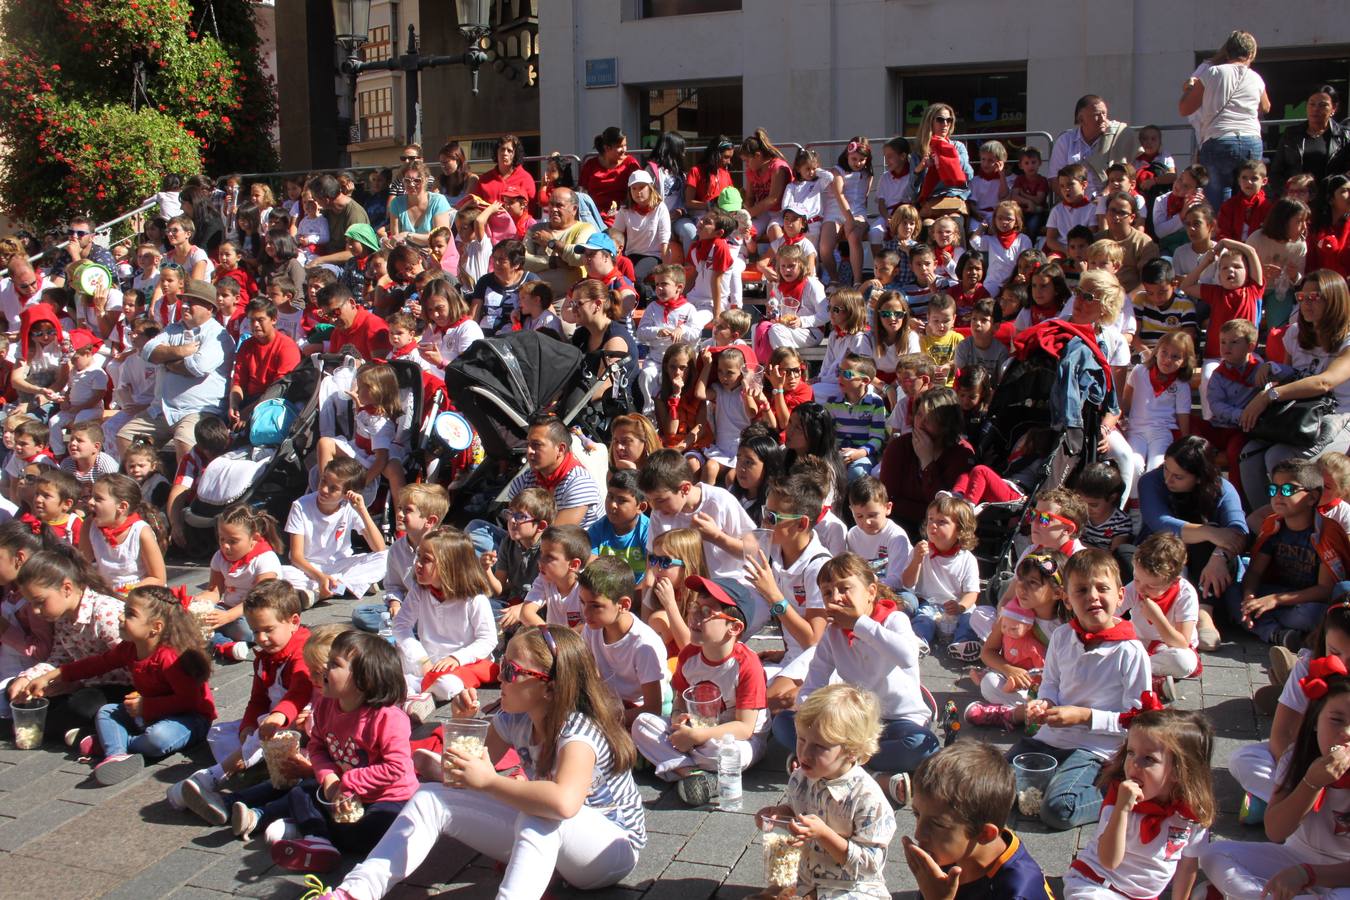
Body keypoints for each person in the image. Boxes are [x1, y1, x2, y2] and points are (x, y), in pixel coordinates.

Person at [320, 625, 645, 900]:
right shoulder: (515, 719)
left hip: (611, 850)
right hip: (559, 839)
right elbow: (472, 770)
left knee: (539, 816)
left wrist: (489, 781)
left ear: (549, 687)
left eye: (511, 672)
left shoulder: (579, 731)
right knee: (430, 797)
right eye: (501, 666)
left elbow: (563, 803)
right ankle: (355, 892)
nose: (499, 678)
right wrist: (460, 732)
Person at [776, 552, 940, 808]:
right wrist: (808, 718)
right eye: (828, 593)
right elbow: (814, 682)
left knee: (921, 746)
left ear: (870, 592)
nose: (836, 597)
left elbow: (907, 656)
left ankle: (831, 766)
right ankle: (858, 771)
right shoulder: (833, 634)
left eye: (844, 588)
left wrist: (859, 624)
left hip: (898, 721)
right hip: (855, 723)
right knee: (785, 723)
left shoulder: (893, 620)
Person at [1010, 549, 1151, 832]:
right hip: (1050, 737)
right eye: (1082, 590)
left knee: (1058, 810)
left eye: (1102, 588)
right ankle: (1056, 780)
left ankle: (1115, 793)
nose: (1093, 596)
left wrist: (1085, 716)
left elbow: (1139, 721)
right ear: (1067, 598)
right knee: (992, 789)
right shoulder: (1063, 636)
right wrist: (1044, 702)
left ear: (1120, 596)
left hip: (1095, 748)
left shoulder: (1130, 651)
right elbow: (1050, 682)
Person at [252, 631, 415, 874]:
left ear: (364, 681)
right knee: (300, 792)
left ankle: (312, 829)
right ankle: (319, 839)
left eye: (335, 665)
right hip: (342, 792)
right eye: (329, 662)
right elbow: (318, 747)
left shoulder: (388, 718)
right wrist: (329, 779)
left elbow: (397, 768)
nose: (325, 670)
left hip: (386, 797)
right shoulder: (326, 705)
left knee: (381, 827)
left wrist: (348, 782)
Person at [22, 584, 215, 785]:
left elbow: (190, 701)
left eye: (130, 614)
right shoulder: (130, 648)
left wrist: (145, 706)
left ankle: (114, 743)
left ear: (155, 627)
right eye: (124, 611)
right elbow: (98, 664)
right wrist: (55, 674)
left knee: (158, 739)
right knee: (106, 711)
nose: (121, 618)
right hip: (148, 714)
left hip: (189, 718)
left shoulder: (170, 658)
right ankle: (116, 755)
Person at [1197, 664, 1350, 897]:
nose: (1347, 732)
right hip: (1296, 855)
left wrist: (1309, 874)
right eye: (1336, 720)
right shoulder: (1296, 756)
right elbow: (1277, 831)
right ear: (1316, 721)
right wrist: (1311, 782)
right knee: (1213, 854)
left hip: (1342, 875)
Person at [168, 580, 312, 823]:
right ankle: (253, 764)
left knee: (267, 732)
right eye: (255, 631)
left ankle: (214, 775)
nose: (262, 638)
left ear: (294, 621)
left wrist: (277, 717)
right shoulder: (264, 658)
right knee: (219, 733)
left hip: (298, 723)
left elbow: (298, 693)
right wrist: (247, 725)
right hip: (270, 722)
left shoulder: (302, 654)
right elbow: (257, 698)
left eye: (268, 629)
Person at [630, 574, 767, 804]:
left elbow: (744, 728)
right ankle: (693, 775)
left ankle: (675, 763)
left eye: (706, 613)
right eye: (695, 607)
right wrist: (677, 720)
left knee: (732, 754)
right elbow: (680, 701)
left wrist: (696, 736)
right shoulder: (689, 654)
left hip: (735, 739)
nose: (694, 617)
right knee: (642, 724)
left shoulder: (746, 664)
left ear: (734, 627)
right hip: (699, 731)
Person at [756, 684, 896, 900]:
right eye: (801, 740)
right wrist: (779, 814)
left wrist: (824, 834)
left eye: (820, 747)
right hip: (808, 879)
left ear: (852, 752)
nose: (805, 752)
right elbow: (797, 813)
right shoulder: (801, 777)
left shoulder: (867, 799)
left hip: (852, 888)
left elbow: (869, 865)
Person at [1062, 709, 1214, 900]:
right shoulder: (1119, 799)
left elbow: (1188, 864)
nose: (1133, 763)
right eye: (1131, 753)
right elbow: (1109, 861)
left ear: (1179, 771)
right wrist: (1122, 810)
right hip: (1096, 884)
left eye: (1148, 759)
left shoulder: (1190, 814)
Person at [1240, 270, 1350, 502]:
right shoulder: (1295, 334)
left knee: (1280, 459)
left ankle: (1295, 525)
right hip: (1300, 414)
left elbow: (1324, 382)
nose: (1306, 303)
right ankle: (1267, 523)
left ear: (1334, 299)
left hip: (1338, 416)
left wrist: (1268, 395)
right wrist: (1270, 371)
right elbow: (1291, 378)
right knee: (1249, 455)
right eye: (1302, 297)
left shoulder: (1347, 341)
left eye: (1315, 297)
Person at [902, 742, 1053, 900]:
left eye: (938, 824)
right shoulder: (956, 851)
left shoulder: (1017, 893)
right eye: (916, 814)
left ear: (985, 834)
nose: (918, 834)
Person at [1236, 458, 1350, 649]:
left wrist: (1275, 601)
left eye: (1287, 490)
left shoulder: (1326, 532)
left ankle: (1268, 627)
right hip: (1275, 592)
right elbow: (1255, 572)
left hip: (1305, 601)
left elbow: (1325, 589)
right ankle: (1278, 634)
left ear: (1312, 498)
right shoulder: (1273, 524)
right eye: (1273, 490)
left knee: (1313, 614)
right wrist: (1250, 598)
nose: (1278, 496)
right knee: (1234, 592)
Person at [4, 549, 127, 726]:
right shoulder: (63, 618)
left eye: (40, 602)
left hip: (118, 688)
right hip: (84, 684)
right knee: (18, 688)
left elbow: (131, 665)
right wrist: (27, 678)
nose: (36, 611)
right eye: (31, 604)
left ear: (67, 588)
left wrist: (76, 682)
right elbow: (59, 658)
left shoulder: (105, 614)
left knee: (81, 706)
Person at [117, 278, 234, 462]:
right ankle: (145, 486)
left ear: (209, 309)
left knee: (184, 440)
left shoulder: (218, 335)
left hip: (198, 411)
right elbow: (147, 351)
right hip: (162, 410)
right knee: (126, 437)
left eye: (192, 303)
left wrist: (166, 361)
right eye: (184, 301)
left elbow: (197, 367)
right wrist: (182, 351)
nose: (185, 306)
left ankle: (185, 489)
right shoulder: (173, 328)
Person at [743, 473, 830, 709]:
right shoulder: (777, 552)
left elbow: (814, 640)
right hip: (795, 654)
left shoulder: (818, 566)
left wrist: (773, 595)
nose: (764, 522)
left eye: (772, 517)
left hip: (823, 658)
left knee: (763, 701)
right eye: (764, 512)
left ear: (801, 524)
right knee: (738, 684)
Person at [394, 528, 498, 725]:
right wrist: (420, 657)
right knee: (388, 657)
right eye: (418, 556)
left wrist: (456, 658)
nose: (417, 564)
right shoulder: (420, 591)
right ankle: (414, 693)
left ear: (449, 565)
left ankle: (414, 694)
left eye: (426, 559)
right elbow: (401, 626)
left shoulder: (474, 598)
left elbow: (487, 639)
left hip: (463, 664)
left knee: (448, 685)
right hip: (427, 660)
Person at [1178, 30, 1271, 211]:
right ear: (1251, 54)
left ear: (1227, 52)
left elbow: (1185, 108)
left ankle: (1222, 235)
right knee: (1248, 196)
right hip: (1251, 140)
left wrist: (1189, 88)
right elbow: (1266, 107)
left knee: (1217, 199)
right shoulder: (1256, 78)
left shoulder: (1212, 72)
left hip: (1219, 139)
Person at [638, 448, 755, 588]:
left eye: (660, 500)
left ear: (685, 489)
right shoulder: (659, 513)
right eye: (650, 500)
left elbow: (754, 550)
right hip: (685, 591)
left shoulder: (720, 501)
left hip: (728, 587)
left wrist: (717, 537)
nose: (654, 507)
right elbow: (652, 562)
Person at [280, 458, 388, 607]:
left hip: (339, 565)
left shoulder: (349, 507)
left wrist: (362, 510)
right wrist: (320, 577)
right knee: (281, 573)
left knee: (386, 557)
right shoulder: (300, 506)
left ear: (347, 494)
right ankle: (349, 587)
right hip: (308, 569)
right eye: (323, 482)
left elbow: (379, 548)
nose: (324, 489)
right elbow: (297, 557)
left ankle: (320, 593)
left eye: (333, 488)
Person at [577, 556, 665, 723]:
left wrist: (605, 720)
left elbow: (653, 708)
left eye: (596, 605)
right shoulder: (592, 629)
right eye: (583, 603)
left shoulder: (644, 645)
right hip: (609, 705)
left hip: (636, 711)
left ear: (624, 605)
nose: (586, 613)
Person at [352, 483, 450, 634]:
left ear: (429, 521)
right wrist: (395, 604)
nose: (400, 514)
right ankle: (411, 628)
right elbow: (394, 585)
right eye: (400, 508)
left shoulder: (446, 548)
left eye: (408, 510)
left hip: (442, 611)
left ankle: (417, 629)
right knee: (362, 613)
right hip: (410, 609)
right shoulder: (397, 549)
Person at [880, 387, 977, 537]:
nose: (921, 424)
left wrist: (927, 463)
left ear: (946, 423)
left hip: (940, 531)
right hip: (898, 525)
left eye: (930, 419)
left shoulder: (962, 453)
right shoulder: (900, 446)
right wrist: (924, 509)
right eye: (919, 415)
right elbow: (886, 499)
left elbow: (946, 508)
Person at [191, 505, 284, 661]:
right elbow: (215, 591)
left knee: (244, 630)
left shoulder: (265, 559)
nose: (225, 546)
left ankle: (213, 640)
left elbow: (259, 600)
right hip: (227, 609)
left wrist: (227, 617)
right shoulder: (219, 557)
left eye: (233, 541)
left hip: (257, 611)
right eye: (222, 539)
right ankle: (225, 645)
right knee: (190, 619)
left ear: (254, 538)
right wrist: (199, 603)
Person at [1122, 532, 1201, 701]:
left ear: (1173, 581)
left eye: (1151, 586)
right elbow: (1112, 610)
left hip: (1168, 649)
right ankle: (1154, 682)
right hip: (1140, 643)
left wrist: (1157, 618)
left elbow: (1181, 642)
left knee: (1184, 661)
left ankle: (1131, 674)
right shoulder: (1135, 588)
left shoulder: (1185, 594)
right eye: (1136, 579)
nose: (1141, 589)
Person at [506, 415, 603, 529]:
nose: (529, 451)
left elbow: (556, 539)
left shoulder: (579, 483)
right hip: (531, 542)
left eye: (537, 445)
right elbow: (512, 525)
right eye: (528, 444)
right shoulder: (524, 481)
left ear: (560, 449)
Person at [1122, 331, 1196, 474]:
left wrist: (1184, 444)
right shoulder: (1139, 371)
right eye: (1164, 353)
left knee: (1156, 468)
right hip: (1136, 430)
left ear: (1184, 362)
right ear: (1156, 352)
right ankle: (1135, 496)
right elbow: (1126, 401)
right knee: (1134, 464)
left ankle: (1152, 496)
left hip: (1162, 432)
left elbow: (1183, 417)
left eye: (1175, 357)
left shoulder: (1181, 385)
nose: (1167, 359)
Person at [80, 473, 166, 595]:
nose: (90, 502)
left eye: (98, 498)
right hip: (105, 593)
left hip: (138, 593)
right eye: (91, 496)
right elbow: (83, 566)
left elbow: (158, 578)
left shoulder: (141, 532)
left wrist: (126, 593)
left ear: (122, 506)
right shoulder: (89, 524)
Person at [228, 296, 300, 427]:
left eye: (260, 320)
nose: (255, 325)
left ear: (274, 319)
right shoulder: (246, 346)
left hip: (274, 405)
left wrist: (249, 413)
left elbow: (279, 389)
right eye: (252, 320)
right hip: (249, 401)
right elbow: (238, 382)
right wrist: (234, 405)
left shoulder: (287, 346)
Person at [1049, 94, 1136, 198]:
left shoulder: (1117, 137)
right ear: (1081, 119)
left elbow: (1127, 175)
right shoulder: (1065, 141)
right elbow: (1054, 179)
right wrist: (1074, 204)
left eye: (1104, 114)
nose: (1103, 119)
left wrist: (1102, 200)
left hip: (1109, 203)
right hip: (1075, 204)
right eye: (1097, 115)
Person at [1270, 85, 1350, 193]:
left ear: (1334, 108)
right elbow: (1276, 172)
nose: (1316, 109)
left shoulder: (1344, 136)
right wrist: (1289, 193)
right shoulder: (1291, 134)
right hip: (1297, 199)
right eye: (1312, 104)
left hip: (1330, 199)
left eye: (1323, 105)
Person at [523, 187, 596, 294]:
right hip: (536, 297)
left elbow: (578, 257)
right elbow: (522, 260)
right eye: (551, 204)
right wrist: (553, 262)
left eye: (559, 205)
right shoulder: (535, 229)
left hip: (570, 298)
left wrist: (551, 242)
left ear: (574, 209)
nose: (553, 209)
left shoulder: (585, 229)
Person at [519, 524, 590, 629]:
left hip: (580, 643)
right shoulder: (544, 579)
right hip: (554, 640)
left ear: (574, 565)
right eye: (541, 554)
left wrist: (562, 638)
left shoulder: (587, 587)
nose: (540, 561)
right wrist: (550, 636)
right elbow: (526, 613)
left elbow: (592, 625)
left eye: (549, 557)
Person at [911, 104, 973, 220]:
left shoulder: (957, 147)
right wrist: (919, 169)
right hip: (929, 203)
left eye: (949, 120)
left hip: (954, 200)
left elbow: (968, 175)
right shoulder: (919, 153)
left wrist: (947, 152)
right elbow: (911, 193)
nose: (945, 124)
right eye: (940, 120)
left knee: (955, 223)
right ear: (930, 122)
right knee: (928, 226)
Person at [579, 127, 641, 226]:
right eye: (619, 146)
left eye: (625, 145)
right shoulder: (590, 164)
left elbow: (638, 191)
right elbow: (582, 191)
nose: (624, 150)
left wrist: (623, 210)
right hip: (592, 215)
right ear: (607, 148)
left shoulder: (630, 163)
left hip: (621, 214)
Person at [307, 174, 370, 267]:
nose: (315, 202)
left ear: (326, 199)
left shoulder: (355, 214)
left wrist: (319, 260)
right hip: (325, 257)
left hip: (346, 266)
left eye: (315, 199)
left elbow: (353, 253)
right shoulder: (328, 211)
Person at [386, 161, 452, 248]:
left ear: (426, 180)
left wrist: (407, 235)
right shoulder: (396, 203)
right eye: (407, 180)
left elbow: (440, 238)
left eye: (417, 180)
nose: (411, 184)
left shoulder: (438, 201)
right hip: (406, 255)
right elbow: (396, 239)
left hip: (433, 254)